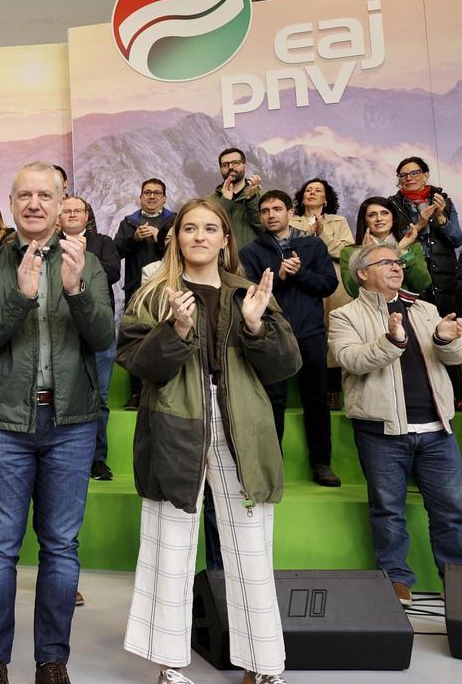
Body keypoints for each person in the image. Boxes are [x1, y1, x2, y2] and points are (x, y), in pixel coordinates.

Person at [118, 198, 298, 684]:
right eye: (189, 228)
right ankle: (169, 665)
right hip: (176, 429)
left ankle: (263, 667)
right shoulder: (154, 293)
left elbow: (285, 367)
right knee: (169, 546)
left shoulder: (250, 293)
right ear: (175, 237)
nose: (199, 236)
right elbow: (138, 364)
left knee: (252, 550)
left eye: (210, 228)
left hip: (245, 430)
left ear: (225, 239)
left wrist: (259, 326)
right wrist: (175, 329)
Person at [0, 164, 112, 684]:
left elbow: (101, 337)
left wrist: (74, 289)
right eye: (23, 194)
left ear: (61, 201)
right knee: (1, 544)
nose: (34, 203)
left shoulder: (86, 261)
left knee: (60, 545)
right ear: (10, 201)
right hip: (5, 423)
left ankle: (52, 659)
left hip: (71, 422)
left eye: (44, 195)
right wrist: (21, 296)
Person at [328, 242, 462, 606]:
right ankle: (396, 581)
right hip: (381, 432)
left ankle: (456, 584)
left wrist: (443, 339)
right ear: (362, 273)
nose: (397, 267)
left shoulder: (427, 309)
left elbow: (453, 356)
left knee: (452, 512)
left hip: (437, 430)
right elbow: (350, 359)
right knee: (387, 511)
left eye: (398, 262)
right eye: (385, 262)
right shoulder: (345, 316)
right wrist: (390, 341)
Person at [239, 191, 341, 487]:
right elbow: (251, 295)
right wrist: (281, 278)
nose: (271, 214)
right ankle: (273, 466)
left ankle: (321, 464)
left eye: (277, 209)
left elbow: (328, 285)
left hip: (310, 333)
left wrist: (300, 274)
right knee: (273, 401)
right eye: (265, 210)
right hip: (272, 334)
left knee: (316, 400)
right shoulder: (251, 251)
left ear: (289, 212)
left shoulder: (312, 244)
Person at [59, 196, 121, 482]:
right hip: (63, 330)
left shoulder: (103, 242)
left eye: (77, 210)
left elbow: (112, 272)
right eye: (66, 210)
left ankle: (97, 459)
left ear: (87, 216)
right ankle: (65, 460)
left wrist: (82, 261)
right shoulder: (47, 247)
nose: (72, 214)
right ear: (59, 217)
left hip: (98, 328)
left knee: (101, 398)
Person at [290, 178, 354, 410]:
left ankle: (332, 390)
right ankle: (304, 387)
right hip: (303, 283)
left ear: (326, 198)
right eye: (308, 189)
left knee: (334, 334)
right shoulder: (291, 221)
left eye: (318, 190)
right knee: (304, 333)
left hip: (333, 286)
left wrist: (323, 233)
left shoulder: (339, 221)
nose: (312, 193)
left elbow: (347, 252)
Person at [114, 179, 175, 410]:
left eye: (157, 193)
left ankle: (166, 390)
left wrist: (160, 235)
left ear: (165, 197)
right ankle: (136, 393)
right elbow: (116, 251)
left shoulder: (174, 220)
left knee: (167, 336)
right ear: (140, 197)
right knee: (137, 338)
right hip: (135, 288)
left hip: (168, 285)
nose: (152, 197)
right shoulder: (129, 223)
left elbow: (180, 247)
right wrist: (134, 239)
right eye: (147, 193)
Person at [389, 156, 462, 318]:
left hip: (445, 276)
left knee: (450, 329)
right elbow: (394, 244)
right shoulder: (392, 205)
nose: (409, 178)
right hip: (410, 271)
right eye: (403, 175)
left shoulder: (444, 202)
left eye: (414, 173)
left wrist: (441, 217)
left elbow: (457, 240)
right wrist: (421, 224)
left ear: (426, 175)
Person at [340, 197, 431, 298]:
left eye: (385, 213)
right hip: (369, 310)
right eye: (372, 215)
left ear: (394, 218)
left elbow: (421, 284)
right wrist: (364, 254)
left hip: (404, 309)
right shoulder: (349, 252)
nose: (379, 218)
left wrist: (401, 252)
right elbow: (352, 291)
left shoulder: (411, 248)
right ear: (365, 221)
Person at [211, 147, 263, 246]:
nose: (230, 167)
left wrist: (251, 199)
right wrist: (225, 201)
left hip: (253, 260)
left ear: (245, 166)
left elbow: (266, 230)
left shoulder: (262, 196)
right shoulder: (210, 201)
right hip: (221, 260)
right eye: (225, 165)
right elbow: (209, 229)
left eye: (235, 163)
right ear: (221, 169)